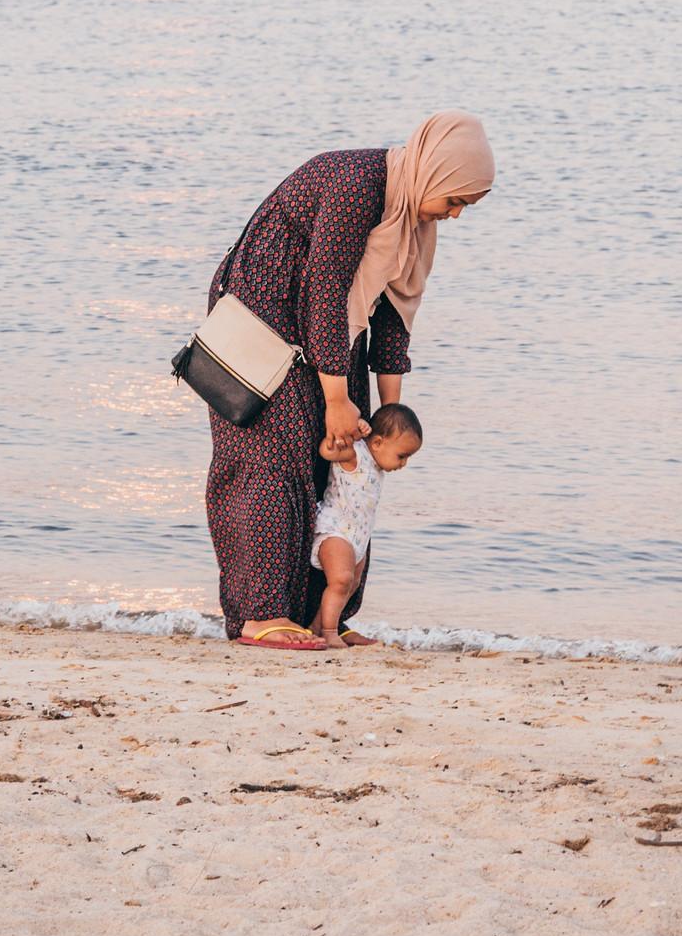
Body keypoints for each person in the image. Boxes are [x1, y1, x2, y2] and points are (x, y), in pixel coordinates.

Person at [202, 110, 495, 653]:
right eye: (454, 200)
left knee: (345, 458)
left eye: (465, 207)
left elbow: (389, 312)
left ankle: (323, 616)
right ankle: (261, 615)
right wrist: (335, 397)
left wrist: (389, 416)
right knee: (275, 461)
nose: (454, 215)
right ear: (433, 172)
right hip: (265, 319)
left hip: (332, 329)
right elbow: (322, 290)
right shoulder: (356, 186)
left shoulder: (408, 217)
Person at [311, 402, 422, 647]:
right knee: (340, 580)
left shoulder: (376, 464)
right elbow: (327, 452)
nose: (403, 463)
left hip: (357, 536)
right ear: (378, 442)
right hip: (336, 529)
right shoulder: (356, 455)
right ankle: (329, 631)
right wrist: (350, 435)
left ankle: (319, 626)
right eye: (402, 456)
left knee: (351, 585)